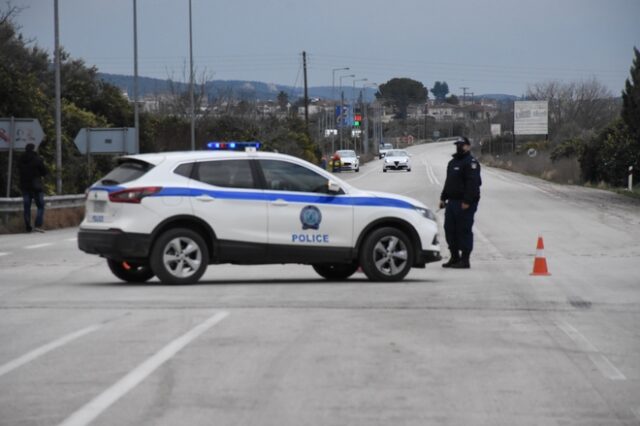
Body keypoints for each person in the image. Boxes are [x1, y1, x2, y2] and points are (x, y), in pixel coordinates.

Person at [439, 137, 482, 269]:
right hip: (452, 202)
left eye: (462, 145)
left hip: (465, 203)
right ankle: (454, 256)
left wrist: (467, 201)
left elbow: (473, 184)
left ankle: (465, 259)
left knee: (464, 230)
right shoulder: (452, 163)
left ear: (468, 147)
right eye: (458, 145)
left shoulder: (471, 163)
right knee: (449, 229)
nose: (459, 147)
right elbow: (449, 182)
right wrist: (443, 198)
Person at [18, 143, 48, 233]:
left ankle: (28, 226)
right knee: (40, 206)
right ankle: (37, 224)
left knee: (26, 207)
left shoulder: (21, 159)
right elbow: (44, 172)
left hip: (25, 187)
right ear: (34, 149)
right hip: (36, 187)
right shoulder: (38, 159)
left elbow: (18, 170)